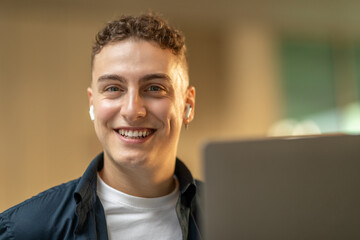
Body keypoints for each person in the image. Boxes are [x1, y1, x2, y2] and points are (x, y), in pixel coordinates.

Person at [0, 13, 202, 240]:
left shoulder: (238, 218)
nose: (132, 111)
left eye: (154, 88)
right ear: (92, 103)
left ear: (188, 104)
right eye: (113, 88)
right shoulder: (25, 230)